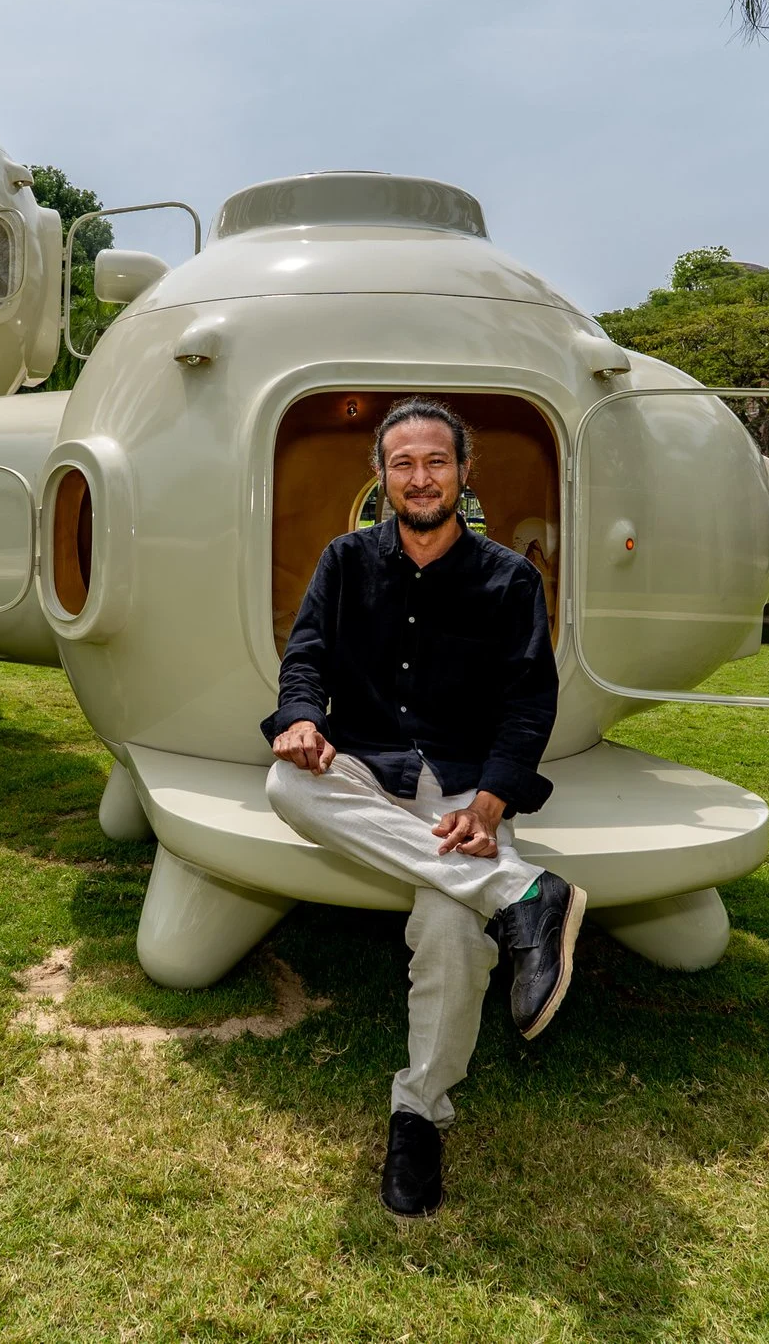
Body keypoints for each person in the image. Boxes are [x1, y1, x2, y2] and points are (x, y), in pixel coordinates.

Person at [261, 396, 583, 1219]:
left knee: (446, 925)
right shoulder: (343, 561)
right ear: (380, 476)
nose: (420, 477)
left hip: (468, 785)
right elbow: (305, 659)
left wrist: (491, 800)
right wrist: (300, 716)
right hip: (368, 769)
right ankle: (519, 893)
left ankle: (419, 1114)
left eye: (436, 461)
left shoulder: (511, 580)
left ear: (464, 473)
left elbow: (527, 707)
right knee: (285, 782)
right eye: (402, 463)